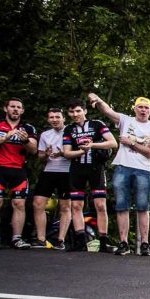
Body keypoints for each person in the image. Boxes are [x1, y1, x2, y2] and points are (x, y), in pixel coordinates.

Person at [88, 93, 150, 256]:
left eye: (146, 108)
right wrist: (98, 100)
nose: (143, 110)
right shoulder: (126, 120)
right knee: (122, 205)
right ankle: (123, 243)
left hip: (143, 169)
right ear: (134, 108)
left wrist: (132, 143)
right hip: (123, 166)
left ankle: (144, 243)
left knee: (143, 207)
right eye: (140, 107)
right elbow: (108, 111)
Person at [62, 98, 117, 252]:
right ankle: (80, 242)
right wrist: (82, 151)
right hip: (77, 169)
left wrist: (92, 145)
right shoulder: (68, 129)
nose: (75, 114)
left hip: (96, 168)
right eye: (72, 112)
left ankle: (104, 242)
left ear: (85, 111)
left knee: (100, 205)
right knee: (76, 205)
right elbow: (66, 153)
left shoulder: (97, 124)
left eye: (78, 111)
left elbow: (113, 143)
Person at [0, 97, 38, 249]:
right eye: (12, 107)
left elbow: (34, 150)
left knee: (19, 203)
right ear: (6, 108)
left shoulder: (28, 127)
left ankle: (17, 238)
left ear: (22, 110)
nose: (15, 109)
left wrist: (26, 141)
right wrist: (4, 138)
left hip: (18, 169)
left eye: (19, 107)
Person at [32, 107, 72, 249]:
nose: (54, 120)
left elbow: (78, 152)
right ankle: (41, 239)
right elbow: (40, 155)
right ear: (48, 119)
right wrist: (46, 154)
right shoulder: (45, 135)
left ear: (63, 118)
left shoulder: (71, 131)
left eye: (57, 117)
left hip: (67, 171)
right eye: (51, 117)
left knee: (65, 206)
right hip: (49, 170)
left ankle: (60, 240)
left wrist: (64, 154)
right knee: (38, 203)